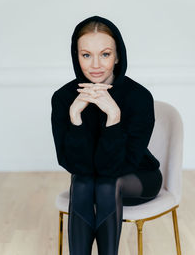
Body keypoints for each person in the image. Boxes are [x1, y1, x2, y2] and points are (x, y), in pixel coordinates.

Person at [51, 15, 163, 255]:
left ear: (117, 55)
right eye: (86, 55)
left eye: (105, 54)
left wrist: (113, 116)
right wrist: (75, 118)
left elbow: (118, 166)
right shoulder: (63, 98)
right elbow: (75, 165)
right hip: (90, 180)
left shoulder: (138, 97)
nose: (95, 65)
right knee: (82, 182)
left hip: (138, 176)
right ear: (76, 56)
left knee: (105, 183)